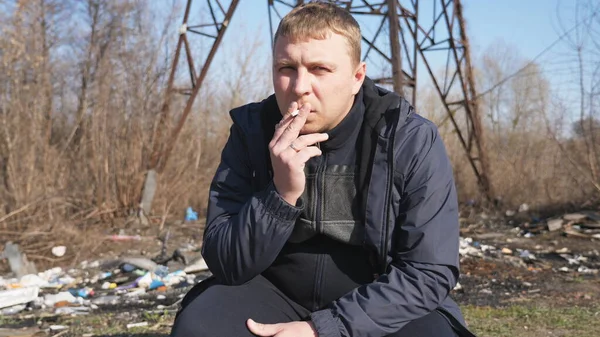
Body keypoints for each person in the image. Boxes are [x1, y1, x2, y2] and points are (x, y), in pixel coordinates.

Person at [170, 2, 476, 337]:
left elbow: (428, 271)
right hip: (275, 290)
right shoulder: (252, 131)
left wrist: (323, 329)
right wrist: (280, 196)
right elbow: (226, 262)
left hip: (376, 295)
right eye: (286, 68)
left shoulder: (408, 137)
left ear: (357, 76)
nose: (299, 87)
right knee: (198, 325)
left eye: (319, 69)